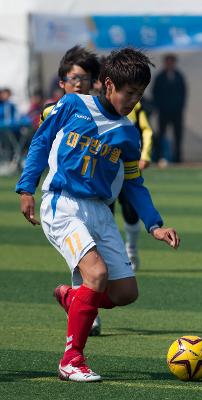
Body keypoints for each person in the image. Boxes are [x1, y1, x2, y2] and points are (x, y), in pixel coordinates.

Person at [16, 47, 180, 382]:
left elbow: (134, 183)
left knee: (125, 293)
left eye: (139, 94)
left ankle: (72, 297)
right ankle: (71, 360)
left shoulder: (128, 134)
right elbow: (41, 142)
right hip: (63, 204)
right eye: (128, 92)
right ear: (107, 85)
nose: (134, 100)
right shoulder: (74, 105)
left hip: (100, 212)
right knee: (97, 274)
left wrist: (155, 225)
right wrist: (26, 189)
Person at [39, 45, 102, 336]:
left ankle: (76, 300)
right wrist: (28, 187)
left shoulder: (103, 113)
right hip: (66, 196)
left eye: (85, 77)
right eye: (73, 78)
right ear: (62, 82)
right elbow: (41, 148)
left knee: (99, 258)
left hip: (98, 194)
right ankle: (87, 312)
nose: (79, 83)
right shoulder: (53, 111)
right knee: (84, 256)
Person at [93, 61, 154, 271]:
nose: (133, 99)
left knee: (130, 209)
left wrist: (144, 155)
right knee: (104, 213)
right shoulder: (85, 106)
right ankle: (103, 256)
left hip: (127, 166)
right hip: (104, 175)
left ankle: (131, 249)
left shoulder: (135, 107)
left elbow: (146, 130)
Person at [152, 53, 187, 164]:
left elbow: (183, 93)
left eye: (171, 62)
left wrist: (180, 107)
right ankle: (158, 157)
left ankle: (177, 158)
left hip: (176, 112)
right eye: (168, 62)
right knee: (161, 134)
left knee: (178, 135)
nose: (170, 64)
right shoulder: (160, 77)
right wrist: (159, 107)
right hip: (163, 112)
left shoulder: (179, 76)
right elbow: (155, 93)